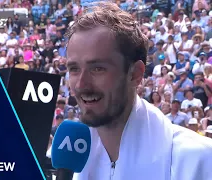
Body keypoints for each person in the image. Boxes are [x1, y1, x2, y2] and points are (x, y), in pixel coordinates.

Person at [66, 2, 212, 180]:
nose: (81, 84)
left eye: (97, 68)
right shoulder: (72, 164)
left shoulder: (199, 162)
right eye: (74, 69)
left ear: (135, 74)